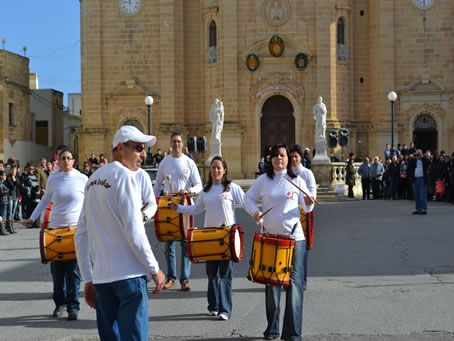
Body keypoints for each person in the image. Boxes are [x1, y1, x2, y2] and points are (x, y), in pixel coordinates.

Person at [75, 125, 165, 340]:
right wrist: (155, 269)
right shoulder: (124, 176)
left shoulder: (92, 181)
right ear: (120, 148)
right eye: (138, 148)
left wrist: (89, 277)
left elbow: (81, 234)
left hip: (103, 279)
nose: (143, 154)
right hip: (129, 276)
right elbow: (134, 230)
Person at [244, 143, 314, 341]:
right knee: (272, 285)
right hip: (270, 240)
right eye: (275, 155)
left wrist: (308, 202)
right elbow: (247, 198)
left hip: (294, 239)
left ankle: (292, 334)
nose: (279, 158)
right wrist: (255, 213)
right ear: (270, 159)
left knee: (294, 286)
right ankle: (272, 329)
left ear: (288, 159)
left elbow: (307, 207)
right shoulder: (263, 180)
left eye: (282, 155)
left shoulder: (296, 180)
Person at [171, 156, 245, 320]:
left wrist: (259, 217)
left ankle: (225, 310)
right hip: (210, 237)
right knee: (212, 275)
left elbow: (247, 203)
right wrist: (179, 208)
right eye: (213, 168)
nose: (216, 171)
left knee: (225, 275)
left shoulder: (232, 188)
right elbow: (196, 209)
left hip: (227, 237)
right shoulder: (205, 191)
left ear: (224, 170)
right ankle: (213, 305)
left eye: (219, 167)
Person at [24, 148, 88, 320]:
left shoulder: (83, 179)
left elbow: (90, 204)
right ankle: (60, 304)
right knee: (58, 274)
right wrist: (32, 218)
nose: (66, 161)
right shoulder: (53, 177)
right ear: (58, 161)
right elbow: (45, 200)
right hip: (55, 231)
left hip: (74, 231)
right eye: (63, 158)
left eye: (69, 158)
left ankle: (73, 307)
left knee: (74, 273)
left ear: (74, 161)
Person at [153, 132, 203, 291]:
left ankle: (185, 279)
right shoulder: (164, 162)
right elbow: (157, 184)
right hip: (168, 205)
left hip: (185, 204)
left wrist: (187, 191)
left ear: (182, 144)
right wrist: (154, 203)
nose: (176, 144)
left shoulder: (189, 162)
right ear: (171, 143)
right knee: (169, 244)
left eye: (179, 141)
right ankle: (171, 277)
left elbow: (199, 186)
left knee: (185, 242)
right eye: (174, 141)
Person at [289, 144, 317, 291]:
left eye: (296, 156)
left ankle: (303, 279)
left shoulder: (307, 174)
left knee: (303, 248)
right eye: (291, 156)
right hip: (289, 214)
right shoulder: (285, 174)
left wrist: (309, 200)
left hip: (304, 213)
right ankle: (290, 278)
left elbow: (312, 192)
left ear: (300, 158)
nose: (293, 159)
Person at [407, 149, 430, 215]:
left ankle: (423, 209)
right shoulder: (413, 160)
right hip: (415, 179)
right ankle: (418, 209)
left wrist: (422, 157)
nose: (418, 156)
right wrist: (415, 157)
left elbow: (428, 162)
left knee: (422, 195)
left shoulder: (424, 160)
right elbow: (409, 167)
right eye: (417, 154)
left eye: (419, 154)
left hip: (422, 179)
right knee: (416, 195)